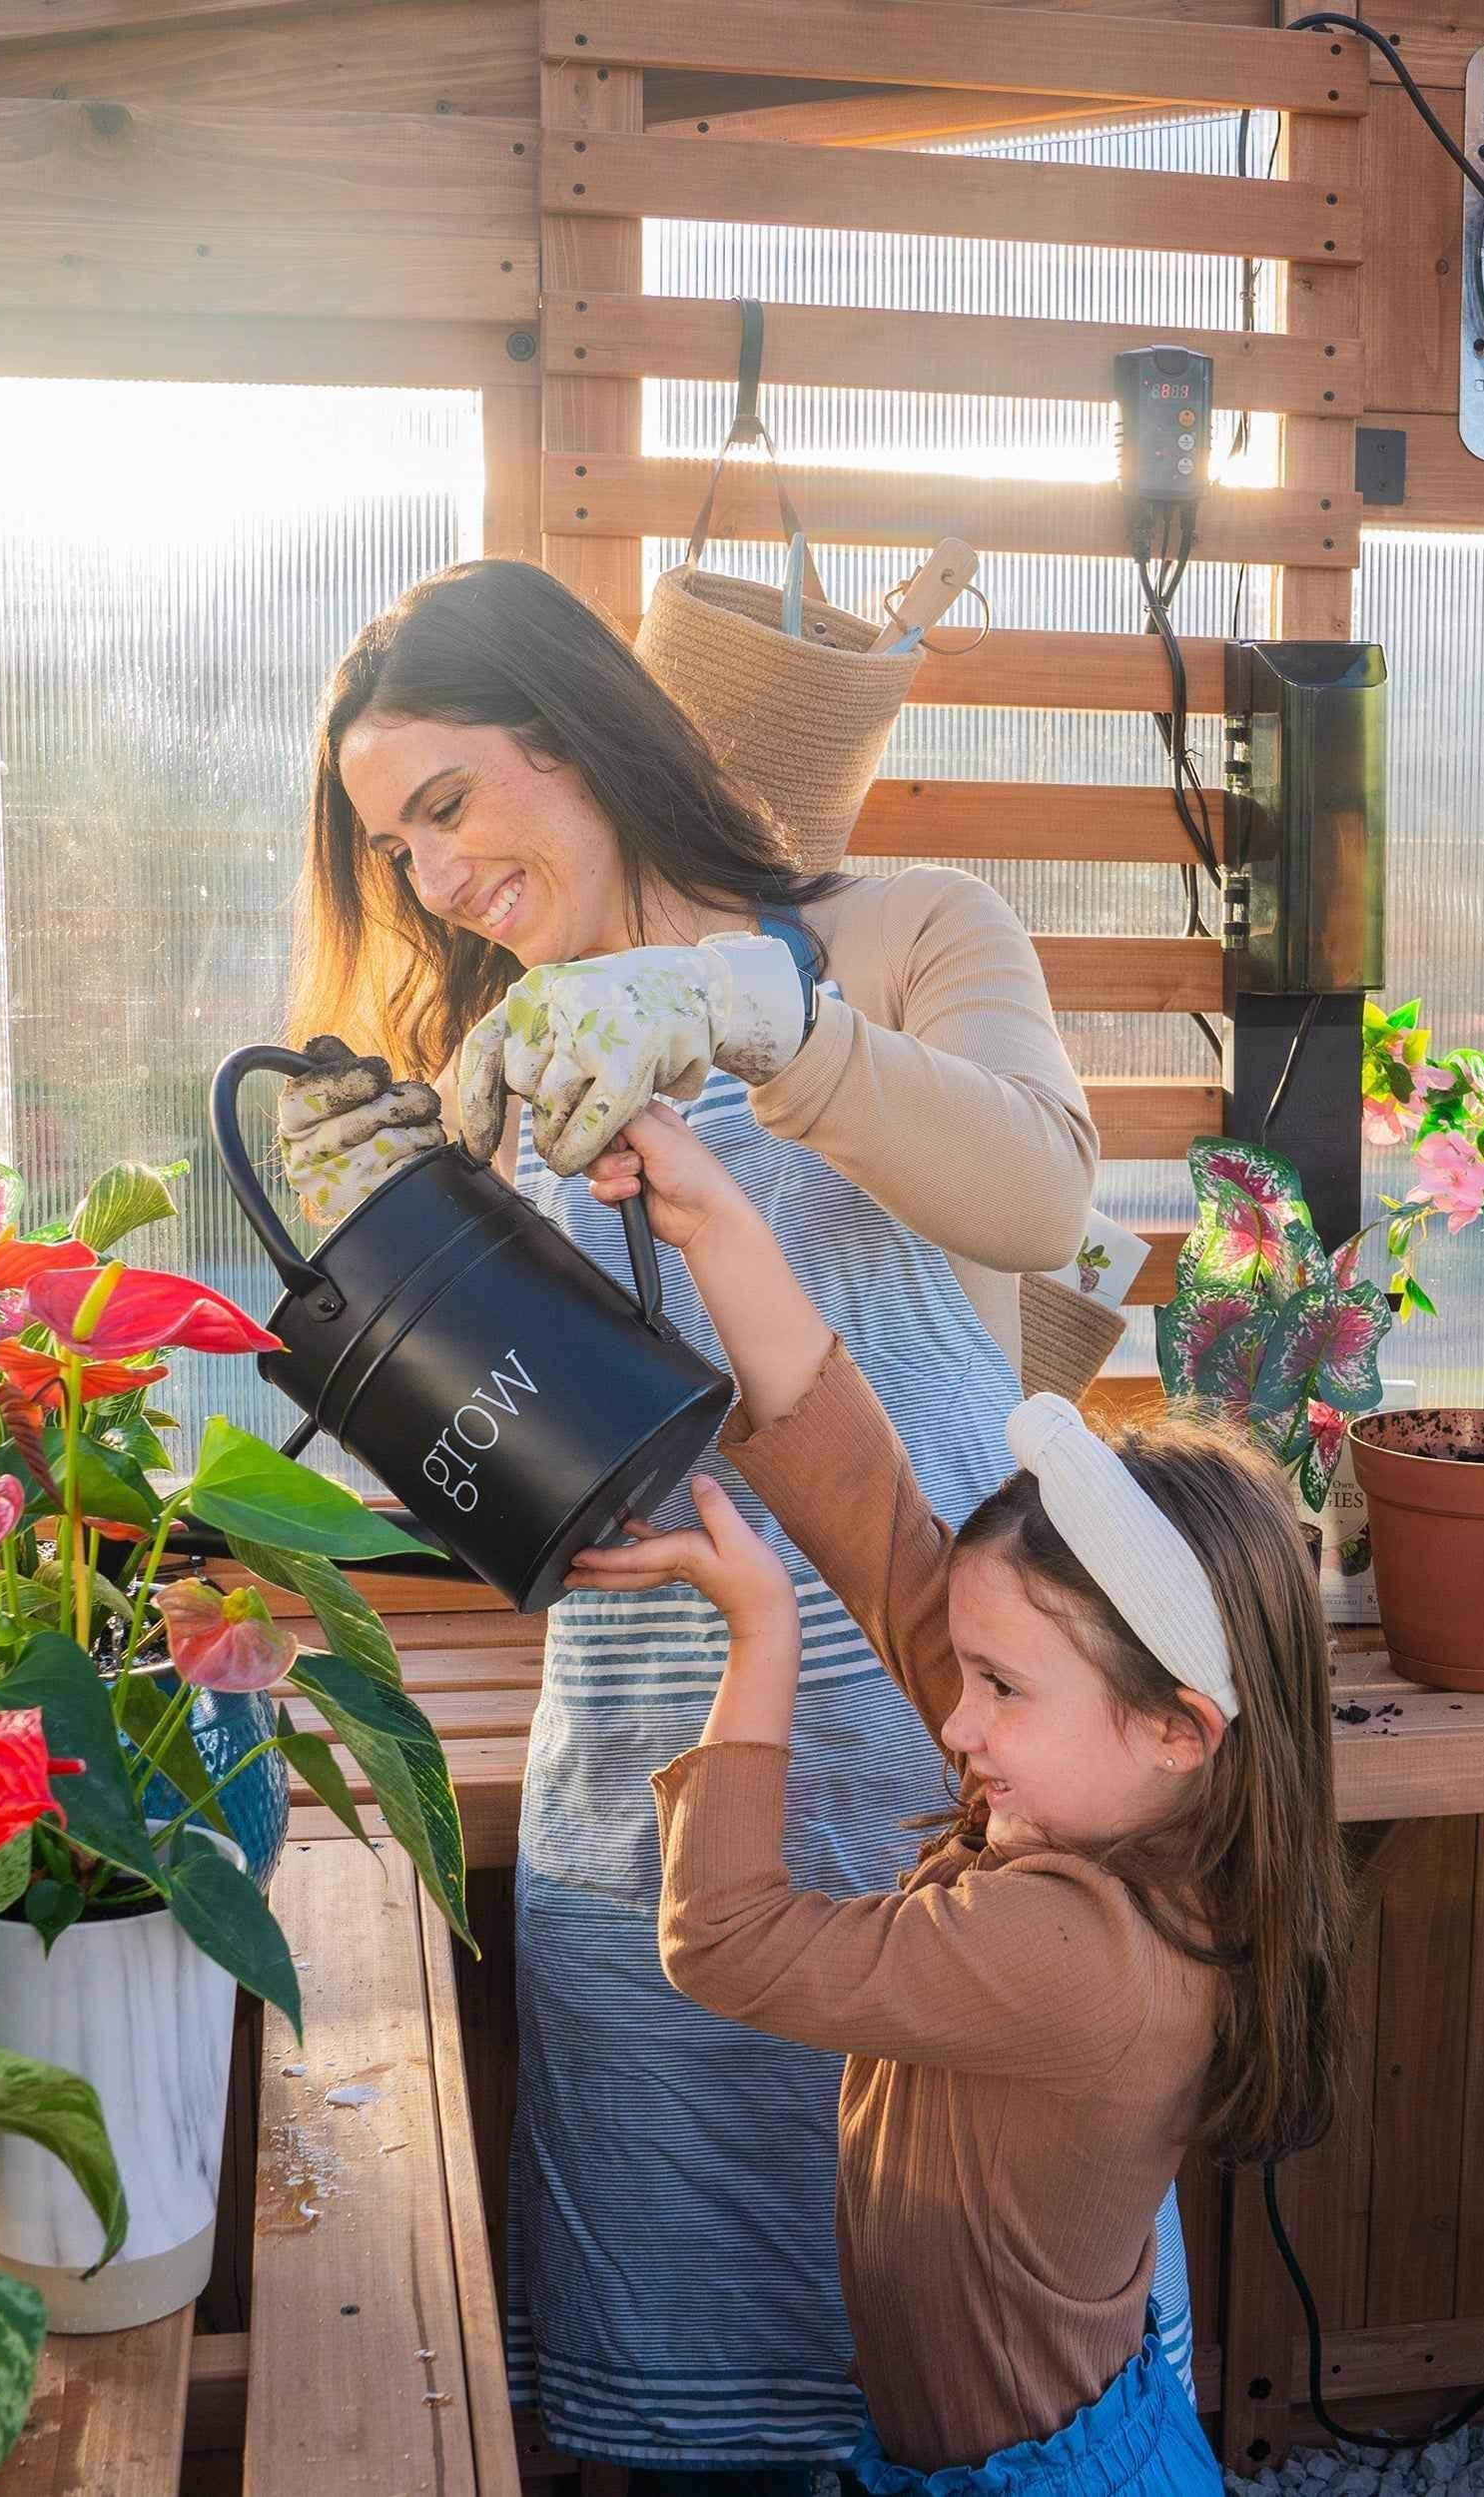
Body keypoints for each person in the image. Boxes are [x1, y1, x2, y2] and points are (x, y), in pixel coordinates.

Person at [278, 557, 1160, 2488]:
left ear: (581, 737)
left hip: (968, 1755)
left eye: (446, 808)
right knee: (703, 2433)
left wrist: (764, 1018)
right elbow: (474, 1499)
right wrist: (384, 1285)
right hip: (668, 1821)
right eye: (388, 846)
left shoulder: (907, 929)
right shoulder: (498, 1076)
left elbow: (1044, 1200)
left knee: (1009, 2389)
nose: (427, 881)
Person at [572, 1104, 1352, 2497]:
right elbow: (869, 1510)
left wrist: (762, 1632)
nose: (951, 1719)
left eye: (998, 1686)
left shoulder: (1079, 1954)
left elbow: (728, 1941)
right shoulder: (1112, 1805)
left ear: (1177, 1729)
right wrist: (716, 1224)